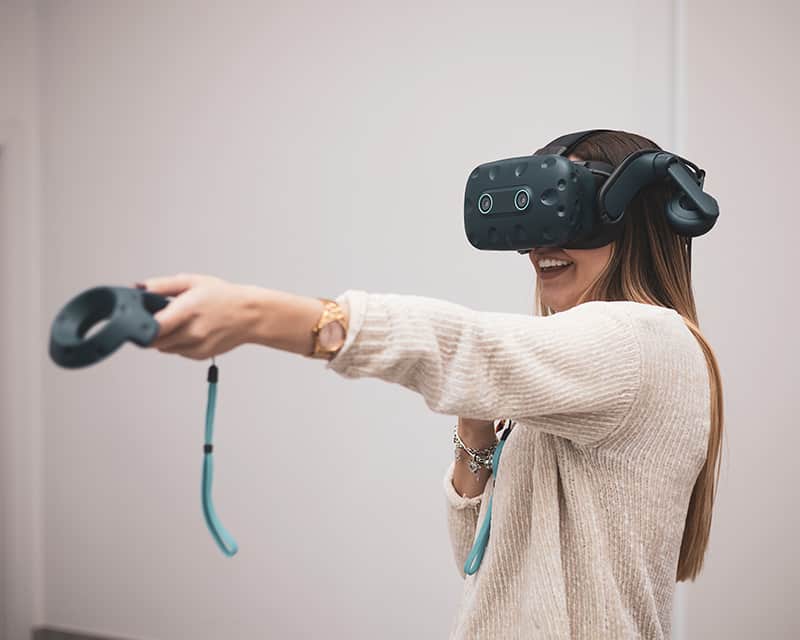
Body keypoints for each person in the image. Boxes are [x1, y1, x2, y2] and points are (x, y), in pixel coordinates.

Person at [135, 129, 723, 639]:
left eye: (569, 218)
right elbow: (478, 561)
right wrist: (478, 423)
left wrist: (252, 315)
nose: (540, 248)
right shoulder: (574, 368)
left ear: (635, 221)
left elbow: (461, 343)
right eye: (535, 226)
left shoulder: (647, 341)